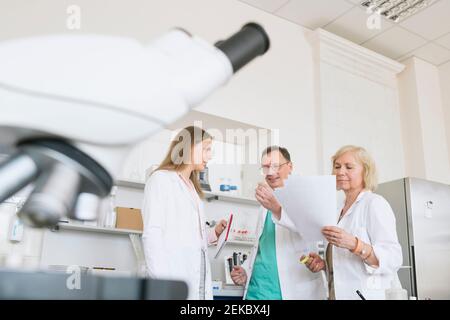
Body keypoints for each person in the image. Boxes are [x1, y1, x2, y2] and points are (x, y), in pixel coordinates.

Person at [302, 145, 402, 300]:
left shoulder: (374, 203)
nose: (340, 172)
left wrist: (356, 245)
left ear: (365, 172)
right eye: (337, 166)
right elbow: (345, 266)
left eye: (349, 167)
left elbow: (394, 258)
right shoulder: (336, 210)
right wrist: (324, 265)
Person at [141, 126, 227, 300]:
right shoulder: (161, 180)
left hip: (199, 277)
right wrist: (161, 285)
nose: (210, 156)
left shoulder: (192, 188)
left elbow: (189, 236)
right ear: (189, 147)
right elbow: (152, 234)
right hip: (172, 281)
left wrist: (214, 233)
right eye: (206, 149)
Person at [230, 146, 326, 300]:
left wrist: (278, 209)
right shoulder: (266, 203)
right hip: (257, 291)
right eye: (266, 167)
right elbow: (262, 246)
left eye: (275, 166)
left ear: (290, 166)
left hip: (290, 291)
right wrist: (245, 270)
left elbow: (311, 229)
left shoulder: (306, 194)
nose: (270, 172)